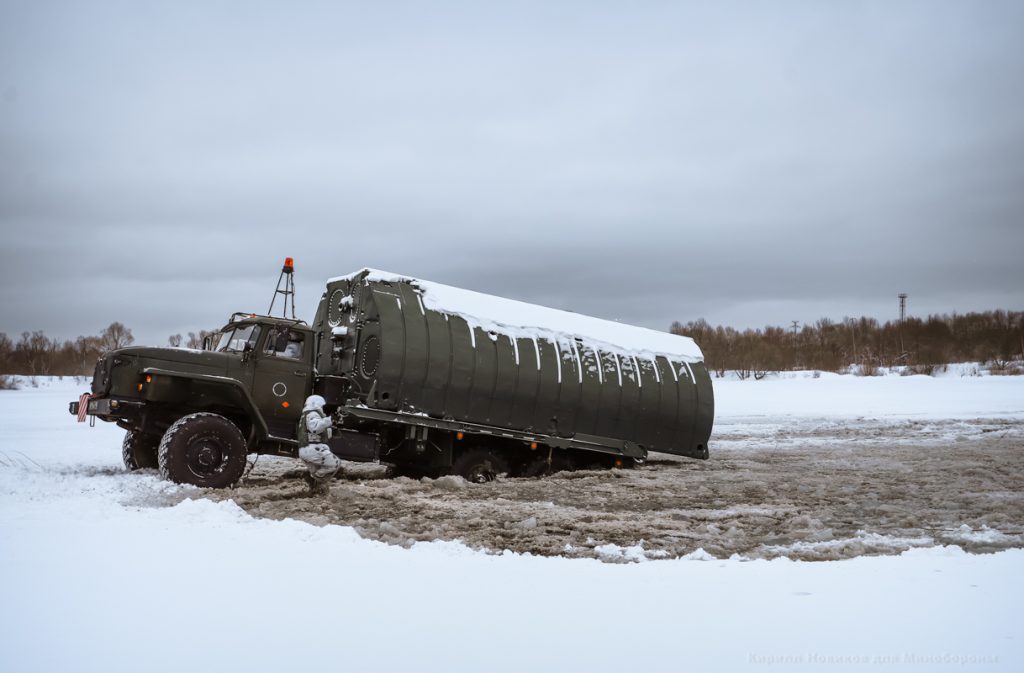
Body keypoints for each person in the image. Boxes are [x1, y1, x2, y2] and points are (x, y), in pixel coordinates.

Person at [297, 394, 342, 495]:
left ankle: (315, 490)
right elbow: (315, 428)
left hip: (307, 449)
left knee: (319, 471)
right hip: (313, 449)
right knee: (335, 463)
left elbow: (314, 431)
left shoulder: (307, 414)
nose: (322, 408)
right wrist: (330, 420)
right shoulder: (312, 413)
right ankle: (312, 479)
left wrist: (331, 430)